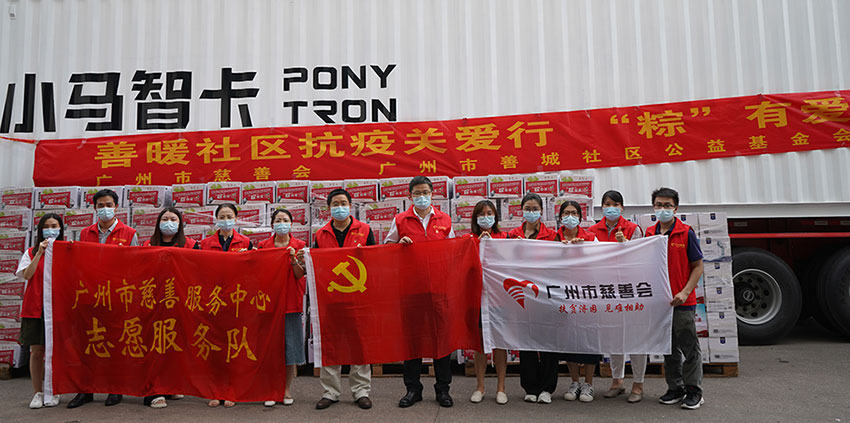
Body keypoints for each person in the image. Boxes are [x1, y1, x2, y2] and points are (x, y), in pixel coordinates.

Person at [385, 176, 455, 408]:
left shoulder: (444, 219)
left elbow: (453, 250)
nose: (421, 196)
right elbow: (386, 248)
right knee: (412, 340)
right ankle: (413, 389)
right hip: (411, 290)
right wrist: (398, 245)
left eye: (425, 192)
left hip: (438, 289)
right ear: (409, 196)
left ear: (433, 194)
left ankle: (443, 389)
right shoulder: (400, 220)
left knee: (441, 339)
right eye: (417, 193)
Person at [303, 188, 375, 410]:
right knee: (331, 344)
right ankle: (331, 392)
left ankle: (361, 391)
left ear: (350, 206)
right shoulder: (321, 234)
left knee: (359, 344)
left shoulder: (365, 230)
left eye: (343, 203)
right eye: (335, 204)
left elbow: (376, 261)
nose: (340, 207)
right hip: (330, 298)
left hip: (358, 296)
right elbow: (316, 265)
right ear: (328, 208)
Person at [68, 189, 138, 409]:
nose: (105, 209)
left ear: (116, 207)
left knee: (115, 342)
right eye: (100, 205)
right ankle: (85, 390)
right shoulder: (85, 233)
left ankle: (114, 388)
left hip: (117, 295)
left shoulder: (129, 233)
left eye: (109, 205)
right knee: (88, 342)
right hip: (90, 295)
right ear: (95, 208)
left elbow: (136, 265)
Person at [586, 190, 648, 403]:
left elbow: (642, 258)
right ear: (601, 207)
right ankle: (617, 381)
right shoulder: (594, 230)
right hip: (607, 290)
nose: (610, 208)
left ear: (622, 207)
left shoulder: (632, 228)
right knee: (614, 336)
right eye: (606, 204)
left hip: (630, 290)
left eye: (615, 204)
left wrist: (626, 244)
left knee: (636, 337)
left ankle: (638, 384)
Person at [646, 187, 705, 410]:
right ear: (653, 207)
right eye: (659, 205)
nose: (663, 209)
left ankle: (694, 390)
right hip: (661, 303)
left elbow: (698, 266)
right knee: (668, 348)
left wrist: (685, 292)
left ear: (676, 208)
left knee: (689, 346)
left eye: (667, 205)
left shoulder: (686, 233)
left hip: (683, 302)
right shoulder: (650, 234)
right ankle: (675, 387)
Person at [506, 193, 559, 404]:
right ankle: (530, 387)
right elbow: (505, 262)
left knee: (548, 343)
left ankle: (547, 388)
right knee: (526, 343)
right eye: (527, 208)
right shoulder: (512, 236)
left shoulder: (552, 235)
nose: (531, 212)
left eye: (535, 209)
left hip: (545, 296)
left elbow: (558, 264)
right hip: (522, 297)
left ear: (542, 211)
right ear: (521, 211)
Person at [141, 208, 195, 408]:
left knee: (174, 346)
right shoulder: (148, 245)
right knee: (155, 346)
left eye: (173, 219)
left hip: (179, 302)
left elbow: (198, 270)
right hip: (154, 303)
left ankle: (170, 386)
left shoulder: (190, 245)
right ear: (158, 222)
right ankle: (152, 391)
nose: (169, 222)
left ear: (180, 223)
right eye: (165, 219)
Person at [200, 203, 253, 408]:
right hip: (213, 300)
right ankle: (215, 391)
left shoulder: (245, 242)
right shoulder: (205, 244)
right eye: (222, 216)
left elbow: (252, 270)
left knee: (235, 346)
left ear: (236, 218)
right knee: (215, 347)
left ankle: (233, 390)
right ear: (216, 219)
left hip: (236, 301)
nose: (225, 220)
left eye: (229, 216)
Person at [257, 209, 306, 407]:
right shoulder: (263, 245)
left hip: (291, 303)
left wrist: (293, 260)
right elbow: (257, 272)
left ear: (291, 224)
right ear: (272, 224)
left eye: (286, 220)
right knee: (270, 349)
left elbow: (300, 275)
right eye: (278, 220)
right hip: (268, 303)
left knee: (290, 349)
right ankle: (270, 389)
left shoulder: (300, 245)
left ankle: (285, 390)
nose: (282, 223)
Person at [16, 213, 64, 409]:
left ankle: (55, 390)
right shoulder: (30, 252)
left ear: (60, 229)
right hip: (35, 308)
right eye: (47, 226)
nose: (51, 230)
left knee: (57, 352)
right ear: (40, 230)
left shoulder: (66, 252)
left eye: (54, 226)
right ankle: (38, 392)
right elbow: (27, 275)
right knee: (36, 352)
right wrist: (39, 253)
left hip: (58, 308)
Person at [467, 200, 508, 405]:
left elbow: (509, 264)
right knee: (480, 344)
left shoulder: (504, 238)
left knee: (499, 342)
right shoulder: (468, 240)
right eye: (481, 214)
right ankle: (480, 386)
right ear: (475, 218)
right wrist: (479, 244)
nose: (486, 217)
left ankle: (501, 387)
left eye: (489, 213)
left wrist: (492, 245)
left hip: (499, 298)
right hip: (477, 297)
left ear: (496, 216)